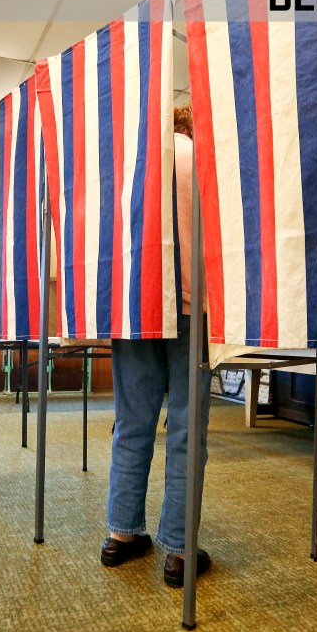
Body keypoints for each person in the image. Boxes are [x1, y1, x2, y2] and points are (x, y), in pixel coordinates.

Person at [100, 103, 213, 587]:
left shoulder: (127, 162)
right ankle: (179, 552)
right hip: (193, 304)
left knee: (132, 422)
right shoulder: (205, 159)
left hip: (135, 308)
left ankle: (121, 535)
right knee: (187, 429)